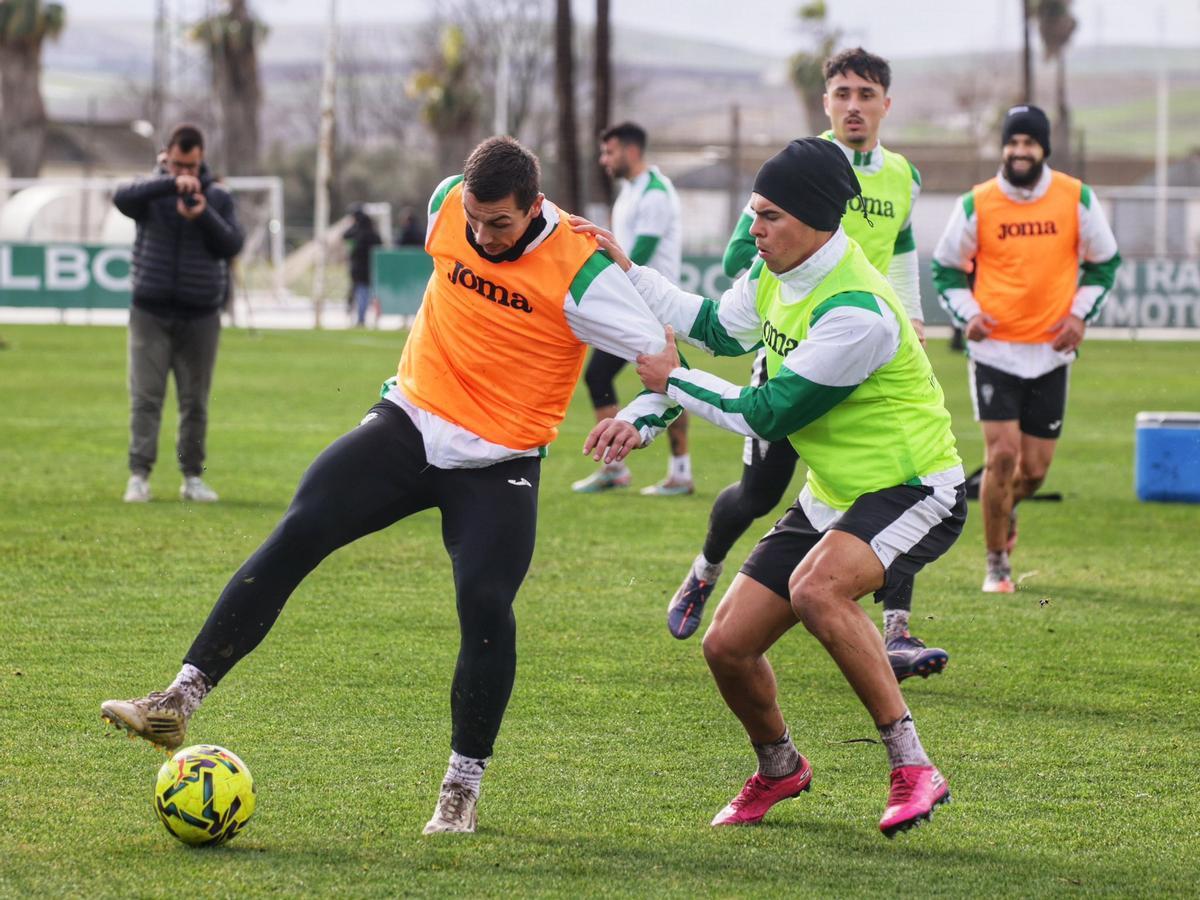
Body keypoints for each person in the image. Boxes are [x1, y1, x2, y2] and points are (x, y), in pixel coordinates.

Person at [100, 136, 679, 836]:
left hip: (499, 460)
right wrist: (491, 216)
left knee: (486, 604)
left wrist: (640, 424)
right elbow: (480, 208)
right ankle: (178, 700)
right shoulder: (444, 204)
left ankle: (461, 788)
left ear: (533, 210)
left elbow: (665, 363)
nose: (483, 234)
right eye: (476, 218)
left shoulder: (584, 272)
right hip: (410, 419)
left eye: (501, 224)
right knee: (300, 527)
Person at [578, 137, 964, 837]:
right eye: (754, 212)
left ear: (817, 220)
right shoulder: (771, 269)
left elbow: (764, 413)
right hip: (835, 493)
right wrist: (628, 269)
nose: (752, 230)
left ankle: (913, 767)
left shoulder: (858, 312)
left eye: (769, 216)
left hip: (914, 486)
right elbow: (712, 329)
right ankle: (781, 767)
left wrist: (670, 381)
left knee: (818, 588)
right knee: (725, 646)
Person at [665, 48, 944, 686]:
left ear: (885, 105)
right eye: (842, 92)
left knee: (894, 471)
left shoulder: (904, 176)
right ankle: (705, 570)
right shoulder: (797, 167)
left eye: (866, 94)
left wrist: (913, 317)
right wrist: (775, 294)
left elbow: (901, 253)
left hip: (866, 343)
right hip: (790, 357)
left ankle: (896, 630)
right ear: (826, 103)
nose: (853, 105)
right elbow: (747, 249)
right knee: (759, 495)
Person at [932, 105, 1120, 593]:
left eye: (1029, 143)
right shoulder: (976, 203)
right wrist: (967, 315)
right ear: (1003, 148)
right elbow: (947, 268)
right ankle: (996, 564)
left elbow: (1104, 263)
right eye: (1012, 142)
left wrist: (1079, 316)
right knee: (1001, 457)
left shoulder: (1075, 197)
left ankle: (1008, 506)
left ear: (1044, 148)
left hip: (1052, 353)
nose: (1019, 151)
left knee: (1033, 472)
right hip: (995, 351)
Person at [113, 124, 244, 504]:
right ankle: (139, 476)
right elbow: (121, 198)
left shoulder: (218, 196)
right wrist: (167, 183)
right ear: (166, 158)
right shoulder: (151, 192)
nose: (185, 172)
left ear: (201, 159)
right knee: (146, 396)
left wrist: (202, 214)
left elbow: (232, 243)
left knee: (195, 402)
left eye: (190, 166)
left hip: (201, 315)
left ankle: (192, 477)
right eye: (177, 164)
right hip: (150, 312)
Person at [572, 122, 694, 496]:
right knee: (670, 380)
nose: (604, 159)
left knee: (667, 380)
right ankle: (672, 471)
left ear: (631, 151)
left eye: (609, 152)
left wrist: (602, 278)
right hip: (632, 303)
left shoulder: (655, 193)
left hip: (650, 306)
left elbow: (635, 255)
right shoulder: (631, 192)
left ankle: (626, 468)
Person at [345, 207, 383, 326]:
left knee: (361, 294)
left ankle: (360, 318)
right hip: (372, 269)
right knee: (368, 294)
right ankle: (372, 317)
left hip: (358, 269)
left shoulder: (358, 234)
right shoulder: (374, 235)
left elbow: (346, 236)